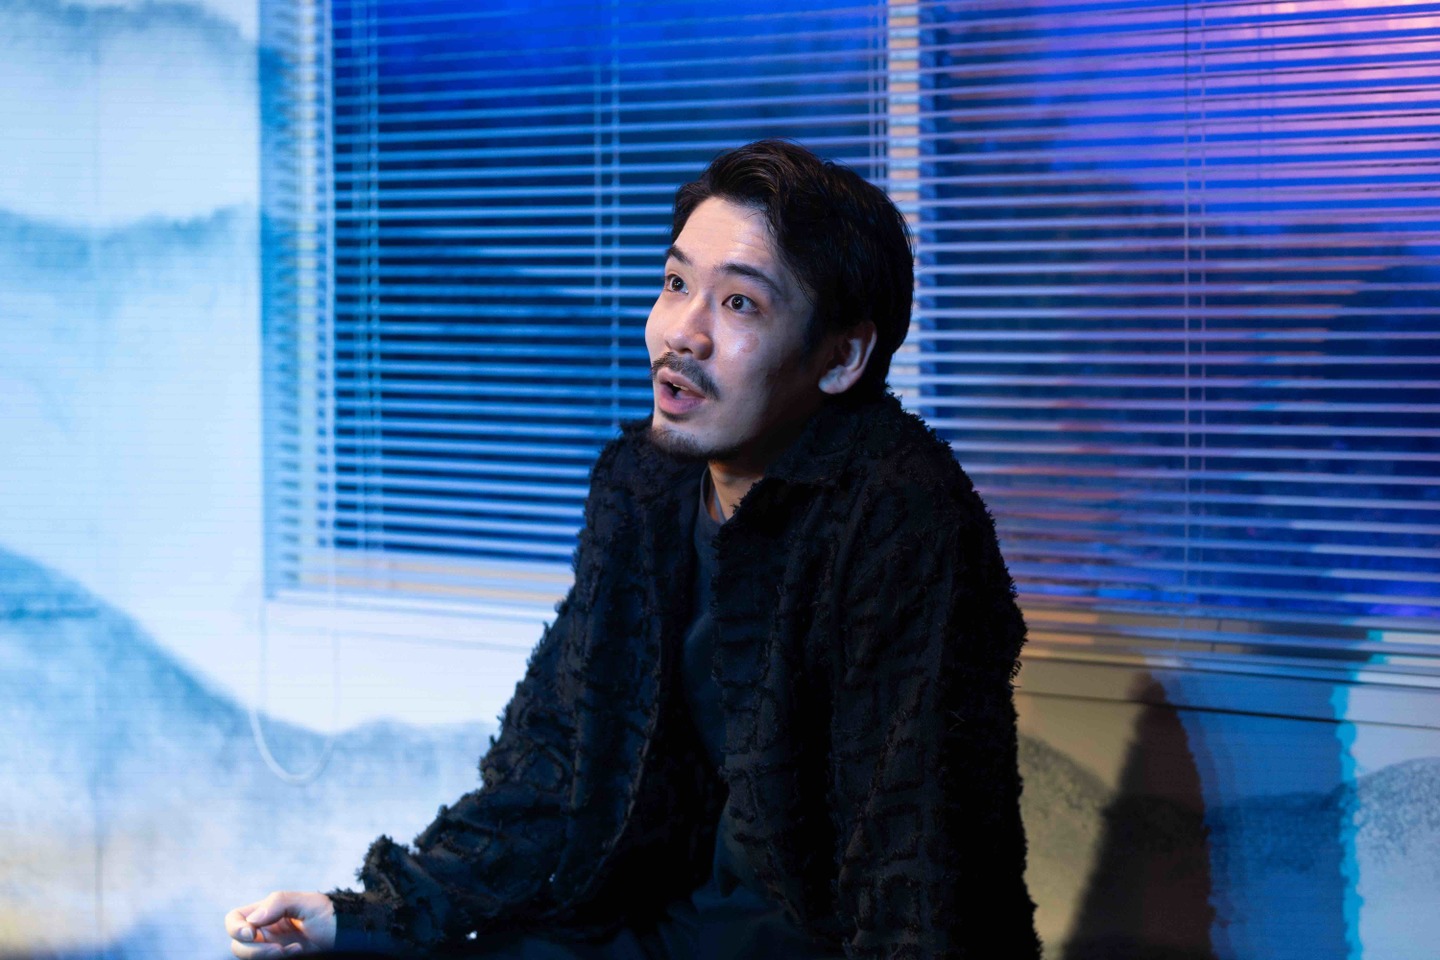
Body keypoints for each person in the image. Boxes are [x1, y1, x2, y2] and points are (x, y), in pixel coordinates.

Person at [225, 139, 1040, 959]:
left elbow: (919, 872)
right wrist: (365, 915)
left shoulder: (901, 520)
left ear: (842, 357)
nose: (680, 334)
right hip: (641, 928)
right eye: (677, 283)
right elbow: (554, 763)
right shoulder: (644, 485)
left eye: (740, 304)